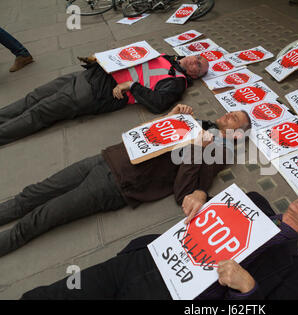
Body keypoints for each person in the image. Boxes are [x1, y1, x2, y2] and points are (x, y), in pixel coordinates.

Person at [0, 104, 251, 257]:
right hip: (108, 158)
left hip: (119, 183)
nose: (230, 114)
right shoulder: (201, 123)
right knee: (34, 192)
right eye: (232, 112)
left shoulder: (219, 152)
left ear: (238, 136)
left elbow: (184, 191)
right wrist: (170, 116)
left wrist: (197, 148)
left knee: (46, 214)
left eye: (236, 119)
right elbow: (148, 136)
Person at [21, 191, 298, 300]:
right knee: (52, 295)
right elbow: (199, 204)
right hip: (143, 262)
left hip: (175, 297)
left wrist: (248, 288)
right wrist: (198, 194)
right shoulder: (252, 200)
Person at [0, 52, 209, 146]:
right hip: (88, 75)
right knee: (33, 97)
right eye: (198, 57)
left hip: (95, 92)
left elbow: (159, 103)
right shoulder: (169, 57)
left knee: (40, 112)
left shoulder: (177, 81)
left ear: (193, 76)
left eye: (198, 66)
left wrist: (132, 86)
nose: (195, 60)